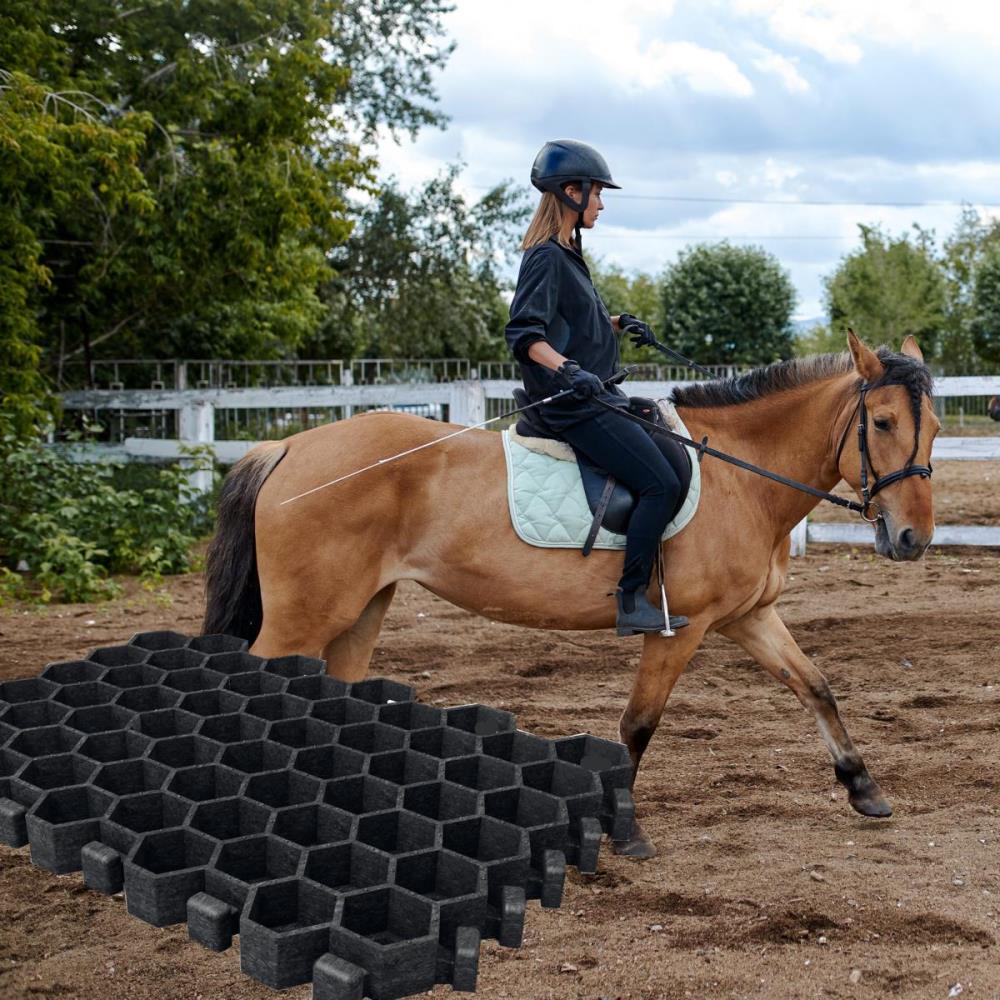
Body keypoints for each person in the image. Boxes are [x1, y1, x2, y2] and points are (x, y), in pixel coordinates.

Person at [505, 139, 688, 636]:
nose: (602, 204)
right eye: (598, 194)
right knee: (660, 482)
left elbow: (574, 324)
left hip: (596, 394)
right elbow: (525, 335)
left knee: (675, 459)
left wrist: (617, 322)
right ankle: (630, 600)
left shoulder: (569, 255)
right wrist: (565, 370)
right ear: (571, 192)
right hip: (572, 405)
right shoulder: (544, 256)